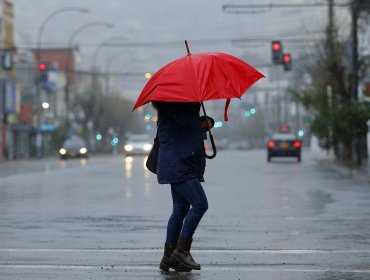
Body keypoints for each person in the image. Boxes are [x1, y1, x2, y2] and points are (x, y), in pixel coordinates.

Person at [152, 101, 214, 272]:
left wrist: (204, 121)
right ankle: (181, 251)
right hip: (178, 164)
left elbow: (187, 124)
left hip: (181, 162)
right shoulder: (171, 105)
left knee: (180, 209)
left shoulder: (178, 105)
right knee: (200, 204)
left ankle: (169, 257)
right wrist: (202, 123)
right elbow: (186, 125)